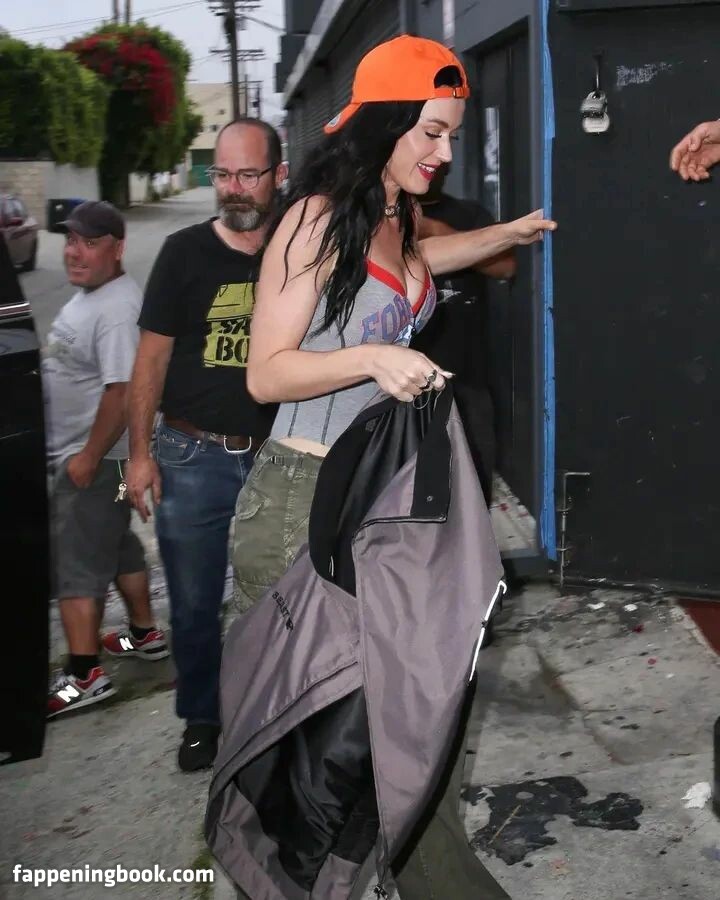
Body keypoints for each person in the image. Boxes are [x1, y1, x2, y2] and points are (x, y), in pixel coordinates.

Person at [230, 34, 556, 899]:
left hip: (366, 501)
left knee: (398, 723)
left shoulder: (393, 209)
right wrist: (373, 360)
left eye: (452, 135)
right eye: (432, 132)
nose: (444, 153)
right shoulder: (315, 217)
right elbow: (266, 372)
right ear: (385, 122)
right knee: (327, 741)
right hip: (298, 505)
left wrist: (506, 233)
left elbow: (413, 267)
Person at [125, 118, 286, 772]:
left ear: (279, 175)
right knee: (194, 604)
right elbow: (149, 361)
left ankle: (273, 710)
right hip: (191, 456)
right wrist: (139, 456)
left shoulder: (300, 248)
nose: (233, 188)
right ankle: (202, 716)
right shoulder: (182, 254)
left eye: (248, 174)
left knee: (278, 598)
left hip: (279, 456)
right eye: (222, 174)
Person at [44, 201, 168, 720]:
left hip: (95, 461)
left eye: (89, 243)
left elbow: (122, 392)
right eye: (71, 240)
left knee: (75, 564)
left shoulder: (116, 309)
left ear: (117, 249)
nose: (75, 252)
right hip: (97, 461)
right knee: (116, 545)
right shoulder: (95, 296)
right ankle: (144, 634)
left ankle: (84, 676)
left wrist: (88, 457)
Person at [415, 166, 516, 502]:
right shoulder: (388, 216)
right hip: (409, 381)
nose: (437, 163)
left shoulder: (468, 214)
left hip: (467, 377)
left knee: (475, 479)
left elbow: (506, 266)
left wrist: (437, 231)